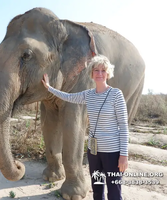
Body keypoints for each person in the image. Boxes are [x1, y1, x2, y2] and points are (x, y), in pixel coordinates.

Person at [42, 54, 128, 200]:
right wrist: (49, 88)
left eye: (103, 70)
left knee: (114, 191)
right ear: (92, 73)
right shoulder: (88, 94)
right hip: (94, 153)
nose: (99, 73)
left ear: (108, 73)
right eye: (96, 70)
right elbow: (68, 97)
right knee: (97, 188)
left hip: (112, 153)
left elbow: (123, 126)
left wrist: (124, 156)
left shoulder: (115, 94)